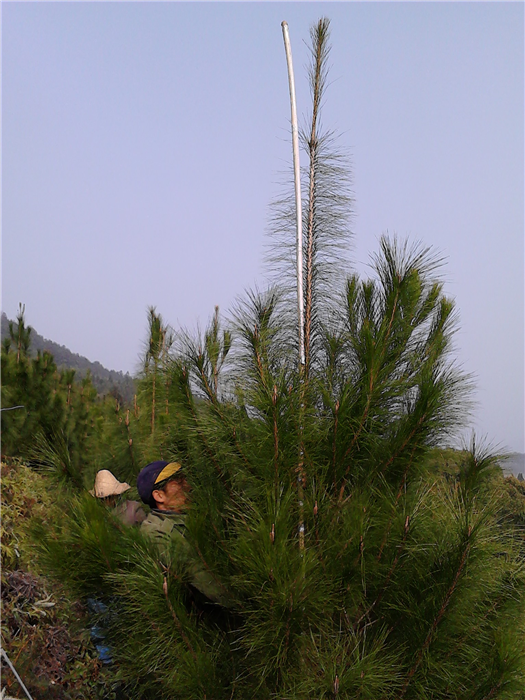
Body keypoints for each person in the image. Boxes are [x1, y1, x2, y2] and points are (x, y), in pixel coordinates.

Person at [137, 460, 231, 607]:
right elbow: (199, 575)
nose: (187, 485)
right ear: (159, 496)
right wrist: (244, 605)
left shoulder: (192, 514)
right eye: (178, 482)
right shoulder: (156, 532)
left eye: (184, 478)